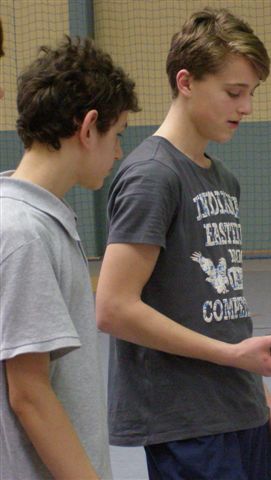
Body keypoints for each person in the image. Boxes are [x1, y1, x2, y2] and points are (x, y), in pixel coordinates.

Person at [95, 8, 271, 479]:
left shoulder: (224, 180)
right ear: (186, 81)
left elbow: (222, 314)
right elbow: (113, 308)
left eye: (251, 93)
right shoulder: (152, 176)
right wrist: (233, 357)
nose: (246, 108)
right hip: (187, 425)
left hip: (239, 411)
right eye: (234, 92)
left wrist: (262, 403)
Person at [0, 36, 139, 479]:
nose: (118, 152)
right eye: (117, 135)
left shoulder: (39, 219)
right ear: (89, 127)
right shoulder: (24, 233)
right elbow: (30, 395)